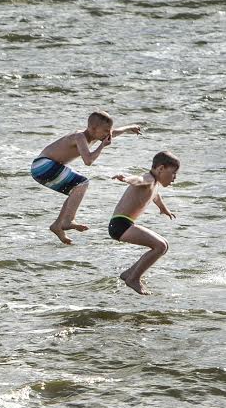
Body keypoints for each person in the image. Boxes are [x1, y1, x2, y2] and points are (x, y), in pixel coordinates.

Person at [32, 111, 144, 245]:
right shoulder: (80, 137)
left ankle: (57, 225)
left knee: (75, 191)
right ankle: (68, 220)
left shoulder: (95, 135)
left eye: (108, 131)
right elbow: (88, 160)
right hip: (43, 165)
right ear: (92, 128)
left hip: (43, 168)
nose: (108, 134)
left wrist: (128, 128)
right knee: (82, 183)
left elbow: (114, 132)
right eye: (105, 131)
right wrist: (102, 146)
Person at [108, 151, 182, 295]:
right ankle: (133, 279)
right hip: (120, 224)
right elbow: (139, 179)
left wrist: (163, 208)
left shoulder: (155, 184)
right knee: (159, 246)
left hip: (124, 224)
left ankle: (129, 273)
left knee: (164, 245)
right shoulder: (148, 178)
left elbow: (156, 196)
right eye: (173, 173)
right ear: (160, 169)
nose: (174, 178)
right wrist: (126, 178)